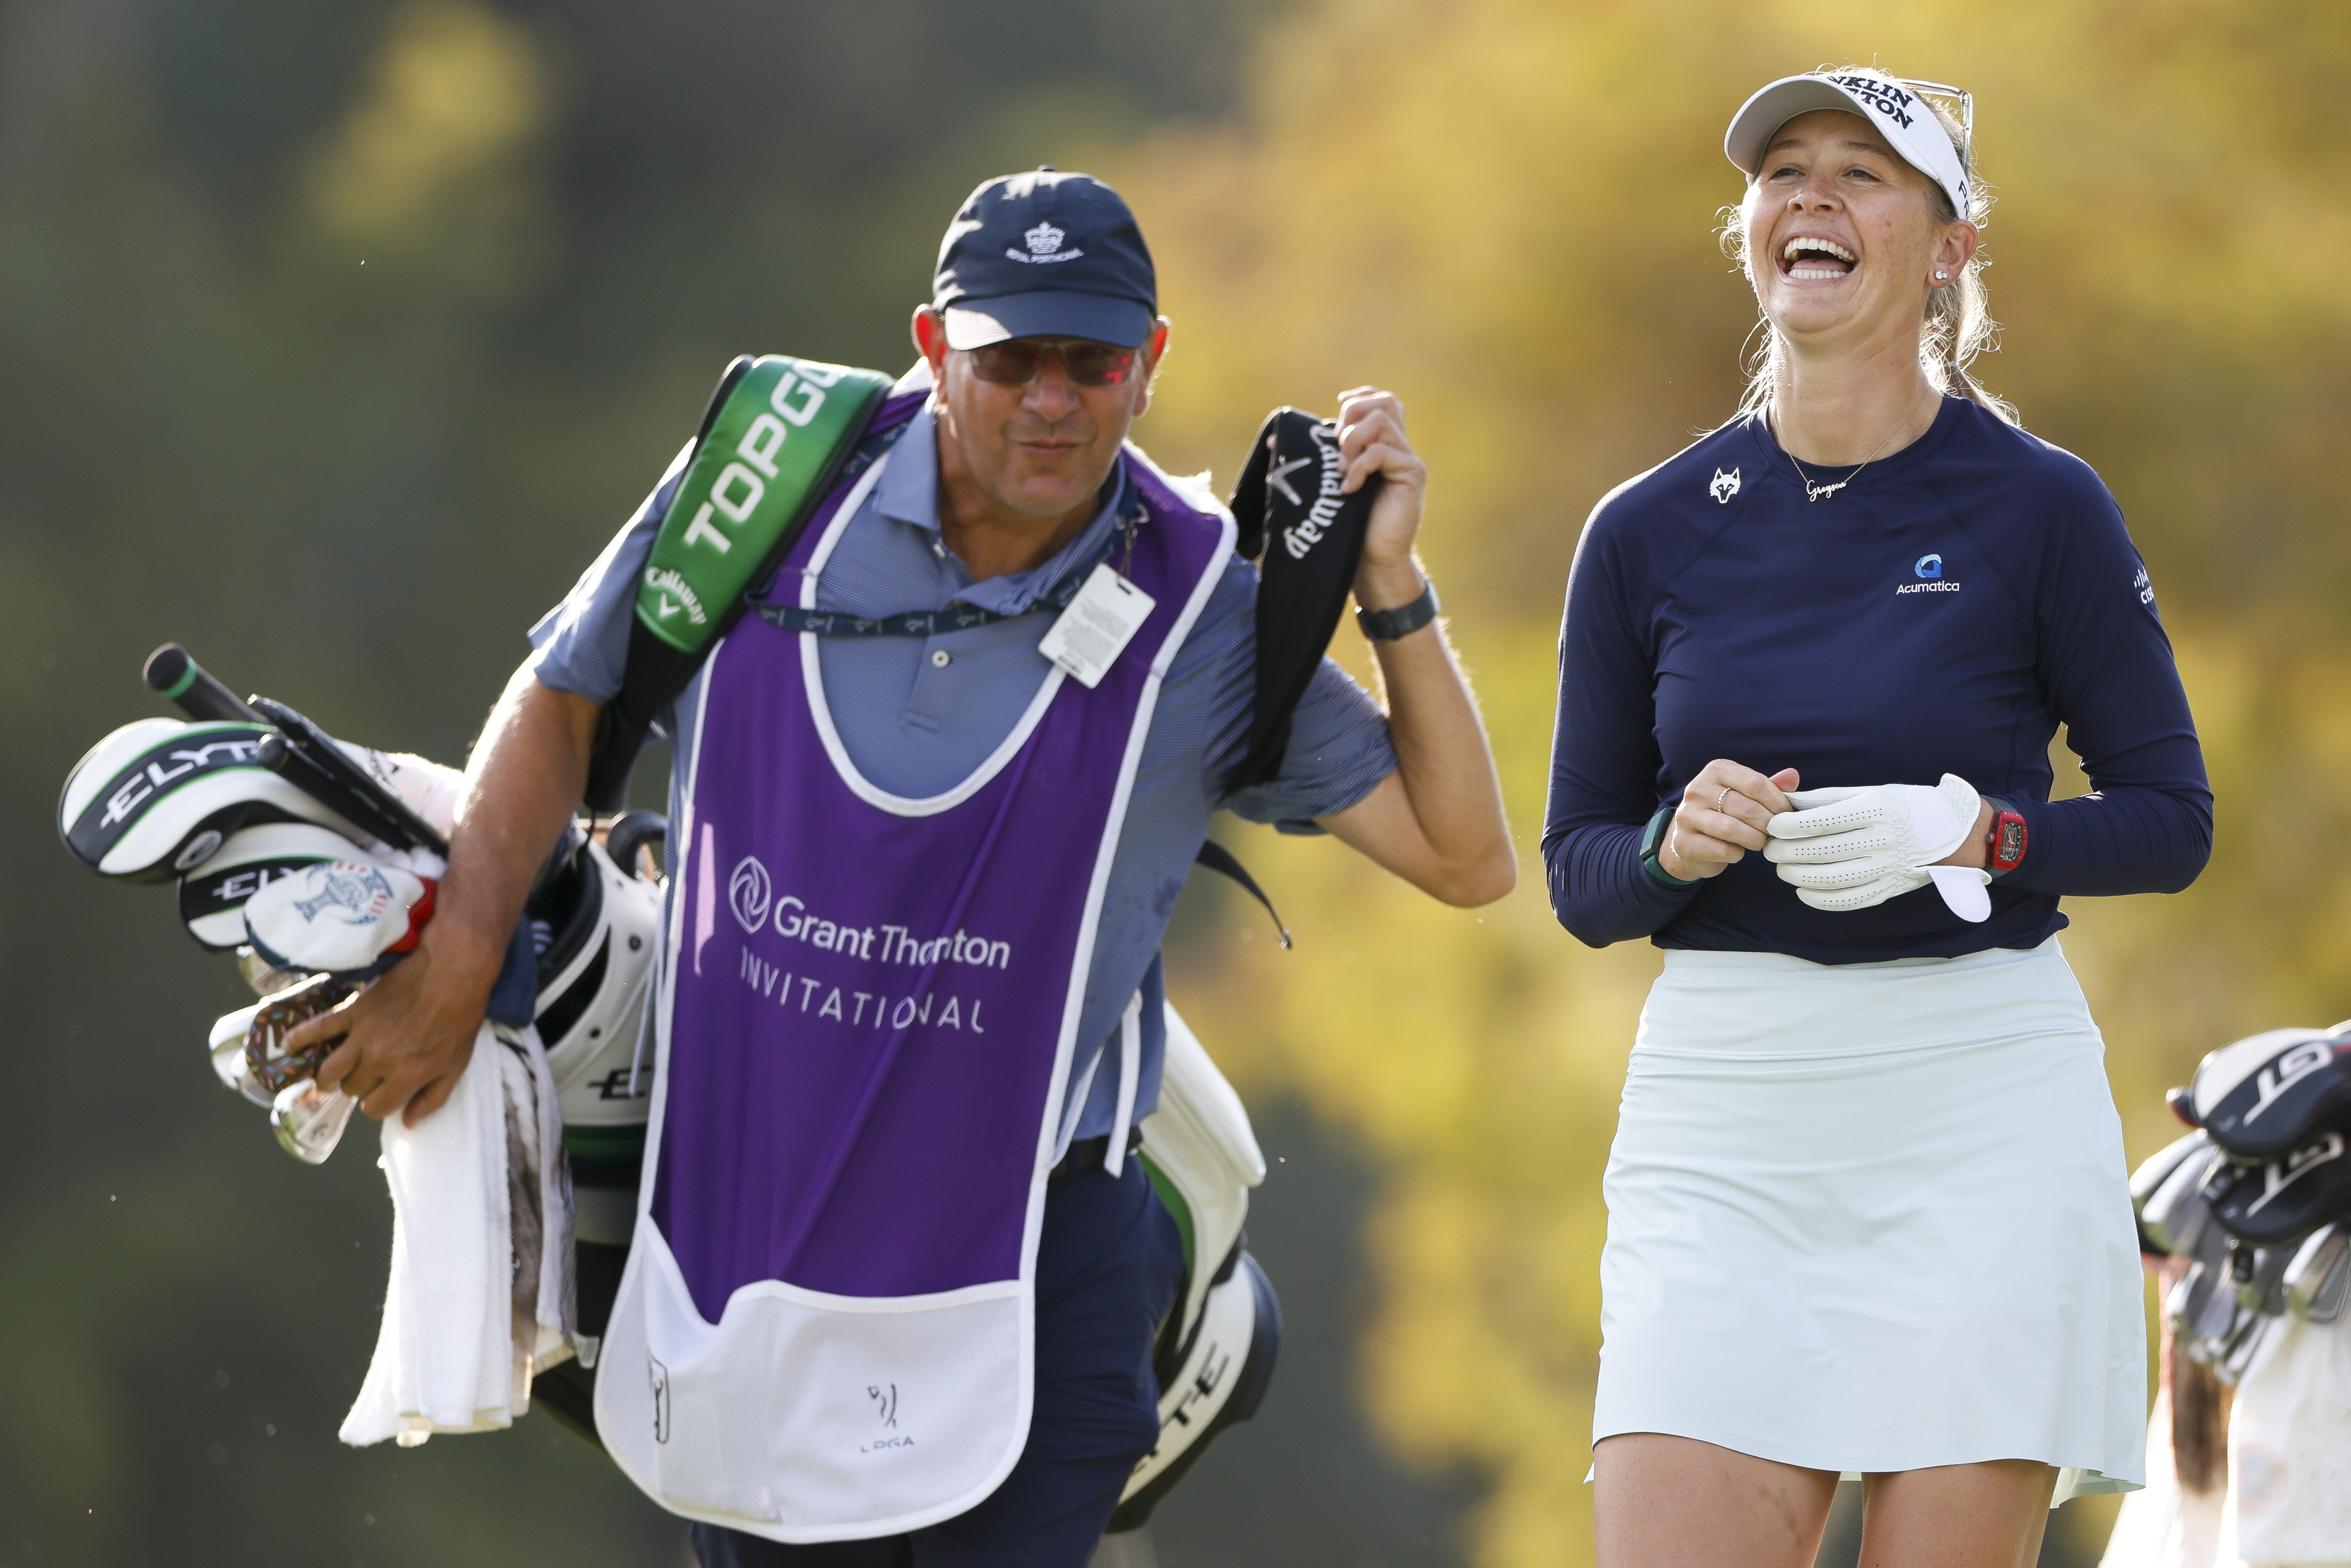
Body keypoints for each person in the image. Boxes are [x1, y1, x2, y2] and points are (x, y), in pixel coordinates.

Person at [293, 167, 1514, 1565]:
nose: (1051, 399)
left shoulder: (1207, 607)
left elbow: (1466, 856)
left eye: (1091, 360)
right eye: (1008, 359)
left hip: (1045, 1250)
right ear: (935, 346)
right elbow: (567, 698)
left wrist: (1393, 586)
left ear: (1151, 363)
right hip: (751, 1221)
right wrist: (458, 963)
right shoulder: (768, 480)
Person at [1541, 71, 2212, 1567]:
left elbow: (2171, 818)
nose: (1815, 198)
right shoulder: (1646, 529)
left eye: (1864, 173)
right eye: (1788, 171)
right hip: (1725, 1120)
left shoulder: (2042, 508)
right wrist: (1671, 846)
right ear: (1753, 228)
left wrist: (1982, 836)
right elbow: (1581, 877)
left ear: (1951, 245)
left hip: (1980, 1106)